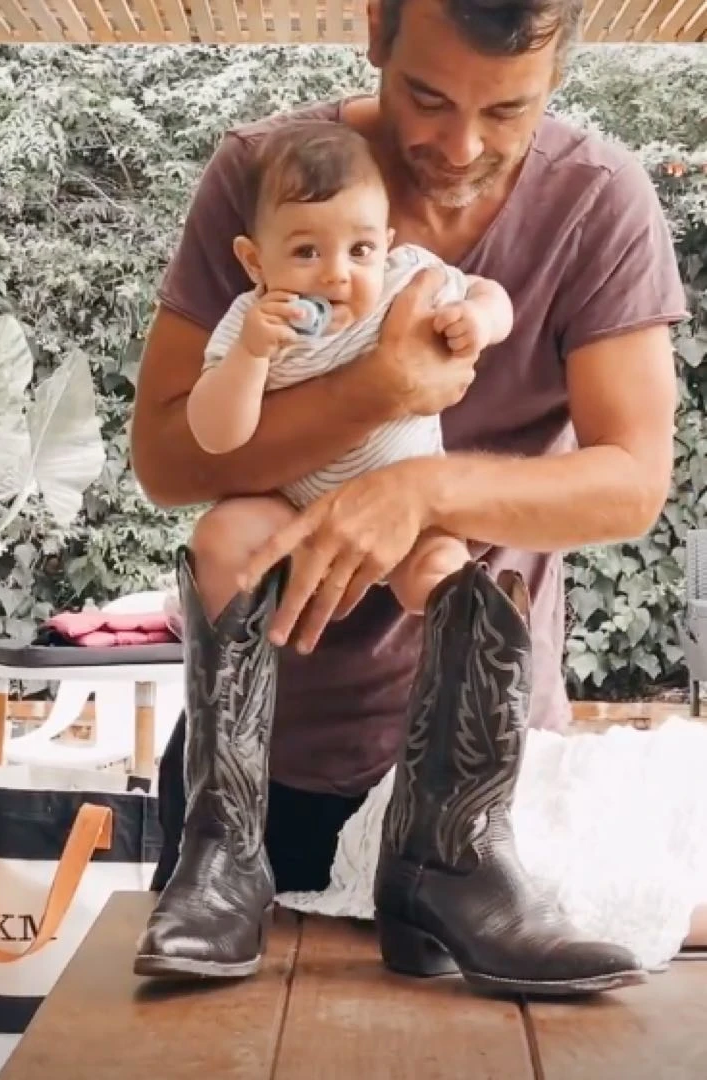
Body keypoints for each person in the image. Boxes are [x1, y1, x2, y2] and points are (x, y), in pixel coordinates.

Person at [130, 0, 690, 993]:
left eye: (507, 110)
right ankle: (225, 855)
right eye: (426, 98)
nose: (460, 145)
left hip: (479, 811)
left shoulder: (596, 201)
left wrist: (418, 490)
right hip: (267, 774)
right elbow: (170, 462)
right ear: (375, 36)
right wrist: (377, 391)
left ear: (557, 74)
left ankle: (443, 863)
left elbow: (631, 484)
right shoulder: (266, 176)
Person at [186, 120, 514, 620]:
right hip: (298, 518)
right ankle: (232, 665)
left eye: (360, 250)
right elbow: (215, 435)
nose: (337, 274)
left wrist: (480, 319)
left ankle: (469, 634)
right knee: (221, 537)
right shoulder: (254, 322)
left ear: (386, 244)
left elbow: (492, 294)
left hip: (409, 512)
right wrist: (250, 356)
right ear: (255, 262)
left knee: (439, 566)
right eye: (306, 252)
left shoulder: (405, 281)